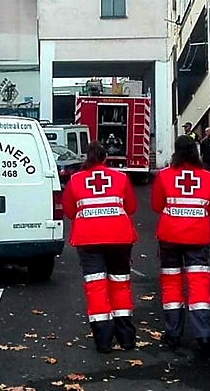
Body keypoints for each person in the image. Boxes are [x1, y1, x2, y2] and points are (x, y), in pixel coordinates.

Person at [60, 141, 138, 353]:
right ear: (105, 158)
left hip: (88, 239)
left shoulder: (76, 179)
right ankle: (127, 338)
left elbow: (69, 209)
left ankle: (103, 341)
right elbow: (130, 207)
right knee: (120, 285)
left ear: (87, 157)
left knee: (96, 287)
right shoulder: (121, 177)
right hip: (119, 238)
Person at [150, 134, 210, 359]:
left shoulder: (164, 176)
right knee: (199, 288)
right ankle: (204, 336)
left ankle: (173, 334)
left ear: (175, 152)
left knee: (172, 286)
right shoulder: (208, 177)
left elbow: (156, 205)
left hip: (170, 237)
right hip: (198, 238)